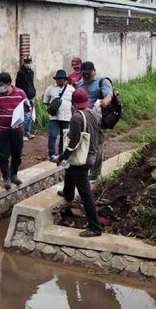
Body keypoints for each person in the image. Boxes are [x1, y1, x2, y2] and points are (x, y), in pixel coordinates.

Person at [54, 88, 102, 237]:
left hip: (83, 158)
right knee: (69, 170)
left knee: (85, 193)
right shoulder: (94, 113)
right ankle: (68, 194)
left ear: (73, 103)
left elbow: (74, 143)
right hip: (92, 153)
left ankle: (95, 227)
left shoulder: (76, 118)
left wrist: (61, 157)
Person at [0, 72, 28, 190]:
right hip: (2, 131)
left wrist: (26, 108)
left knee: (17, 154)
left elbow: (28, 108)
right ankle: (6, 177)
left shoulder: (20, 93)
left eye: (1, 85)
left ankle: (14, 174)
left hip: (17, 130)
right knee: (3, 155)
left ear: (9, 84)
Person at [75, 61, 112, 181]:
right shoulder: (79, 84)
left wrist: (104, 102)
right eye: (83, 73)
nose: (86, 76)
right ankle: (83, 169)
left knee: (97, 146)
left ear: (94, 71)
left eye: (88, 73)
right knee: (83, 144)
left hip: (98, 120)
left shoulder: (102, 82)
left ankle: (94, 173)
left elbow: (108, 96)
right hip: (83, 120)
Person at [43, 69, 74, 162]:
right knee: (52, 135)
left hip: (66, 117)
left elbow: (74, 102)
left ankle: (61, 154)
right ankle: (52, 154)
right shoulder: (50, 88)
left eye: (61, 79)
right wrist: (51, 108)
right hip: (54, 117)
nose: (59, 80)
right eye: (57, 79)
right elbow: (46, 101)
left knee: (64, 136)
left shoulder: (71, 89)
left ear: (65, 79)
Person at [15, 56, 36, 140]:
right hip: (24, 97)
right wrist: (22, 96)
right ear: (24, 62)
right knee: (26, 115)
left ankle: (27, 132)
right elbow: (18, 85)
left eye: (29, 62)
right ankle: (22, 133)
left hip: (31, 95)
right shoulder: (20, 73)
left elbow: (31, 84)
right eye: (27, 62)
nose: (28, 64)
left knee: (31, 115)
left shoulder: (31, 72)